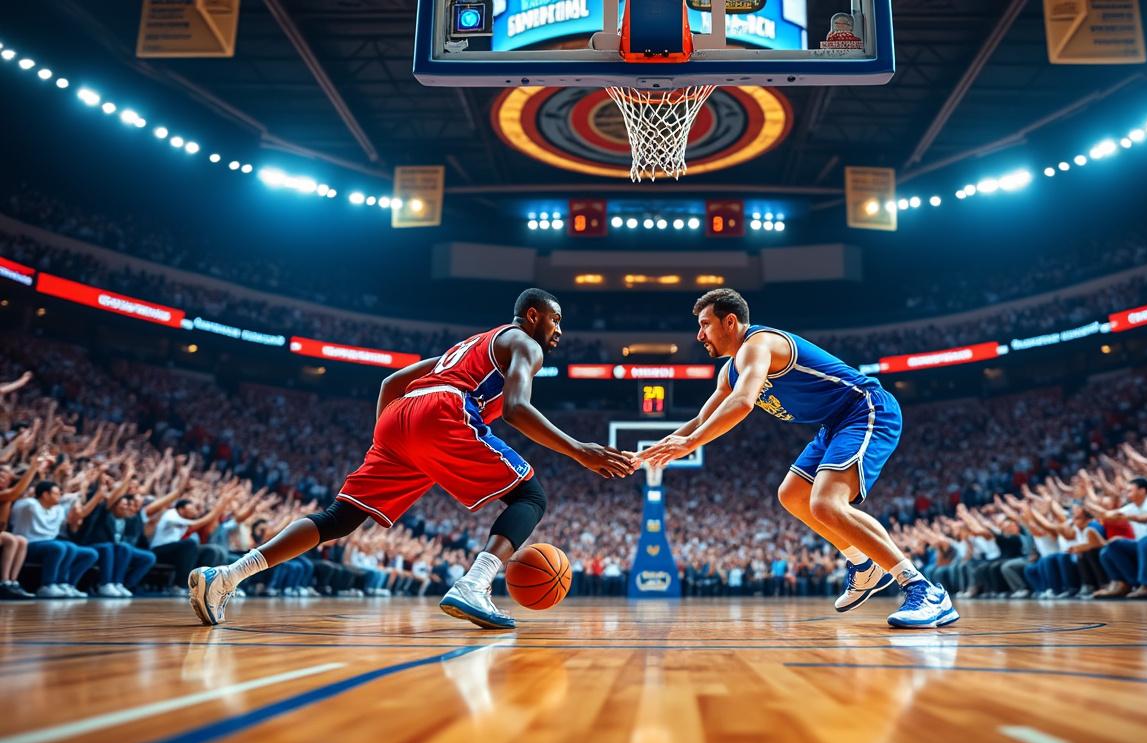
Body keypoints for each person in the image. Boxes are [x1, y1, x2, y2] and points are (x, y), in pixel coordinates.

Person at [190, 289, 637, 628]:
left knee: (340, 518)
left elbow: (390, 384)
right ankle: (474, 585)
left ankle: (226, 575)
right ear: (533, 315)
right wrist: (580, 451)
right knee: (531, 497)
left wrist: (387, 448)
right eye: (556, 321)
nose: (559, 332)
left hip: (402, 417)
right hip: (442, 411)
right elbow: (517, 409)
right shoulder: (526, 343)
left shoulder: (467, 348)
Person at [639, 288, 957, 628]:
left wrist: (691, 445)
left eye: (705, 324)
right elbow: (701, 420)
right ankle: (864, 566)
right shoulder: (730, 371)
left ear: (730, 322)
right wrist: (655, 449)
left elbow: (743, 404)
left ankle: (923, 589)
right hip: (834, 424)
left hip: (865, 408)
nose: (699, 335)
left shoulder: (760, 345)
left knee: (827, 503)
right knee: (792, 495)